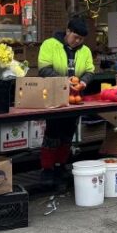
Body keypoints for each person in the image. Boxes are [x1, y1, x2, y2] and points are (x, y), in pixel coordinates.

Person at [37, 16, 95, 189]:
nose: (78, 41)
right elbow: (44, 68)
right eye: (75, 37)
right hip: (54, 97)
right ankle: (47, 169)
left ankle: (60, 166)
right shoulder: (50, 44)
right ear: (68, 31)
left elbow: (90, 70)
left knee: (68, 134)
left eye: (81, 39)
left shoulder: (85, 51)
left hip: (75, 99)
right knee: (52, 133)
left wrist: (83, 81)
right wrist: (63, 81)